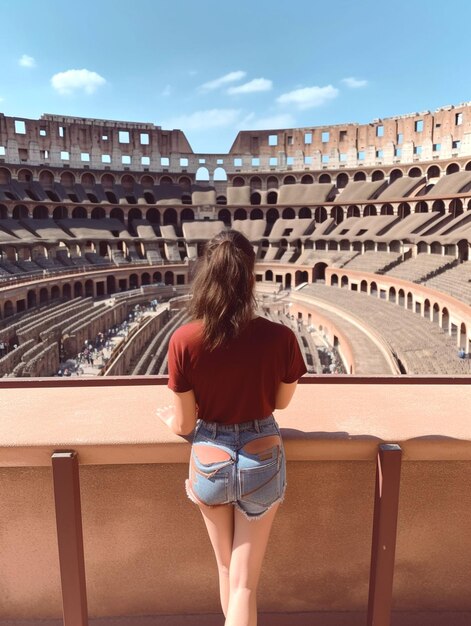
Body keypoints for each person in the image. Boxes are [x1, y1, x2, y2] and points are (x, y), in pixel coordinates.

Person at [157, 230, 306, 626]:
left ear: (206, 277)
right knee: (245, 585)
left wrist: (171, 421)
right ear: (250, 277)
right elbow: (280, 403)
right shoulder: (281, 338)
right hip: (261, 455)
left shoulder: (184, 340)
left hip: (210, 458)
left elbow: (186, 423)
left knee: (227, 573)